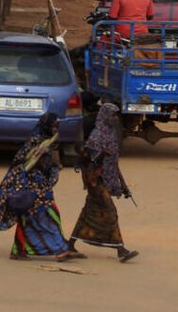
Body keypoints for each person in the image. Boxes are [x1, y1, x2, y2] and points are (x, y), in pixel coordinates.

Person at [0, 113, 76, 261]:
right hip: (32, 186)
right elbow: (27, 162)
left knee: (29, 218)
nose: (55, 129)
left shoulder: (50, 141)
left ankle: (18, 250)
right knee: (46, 215)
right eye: (53, 126)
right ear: (46, 125)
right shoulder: (36, 142)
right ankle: (59, 250)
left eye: (57, 126)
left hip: (40, 185)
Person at [68, 103, 137, 263]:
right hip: (95, 181)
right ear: (105, 116)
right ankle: (121, 249)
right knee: (110, 212)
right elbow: (89, 161)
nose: (115, 118)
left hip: (105, 180)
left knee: (88, 213)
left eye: (116, 115)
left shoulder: (111, 134)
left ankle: (70, 244)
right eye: (112, 115)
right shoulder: (96, 136)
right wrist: (102, 156)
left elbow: (114, 162)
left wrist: (123, 185)